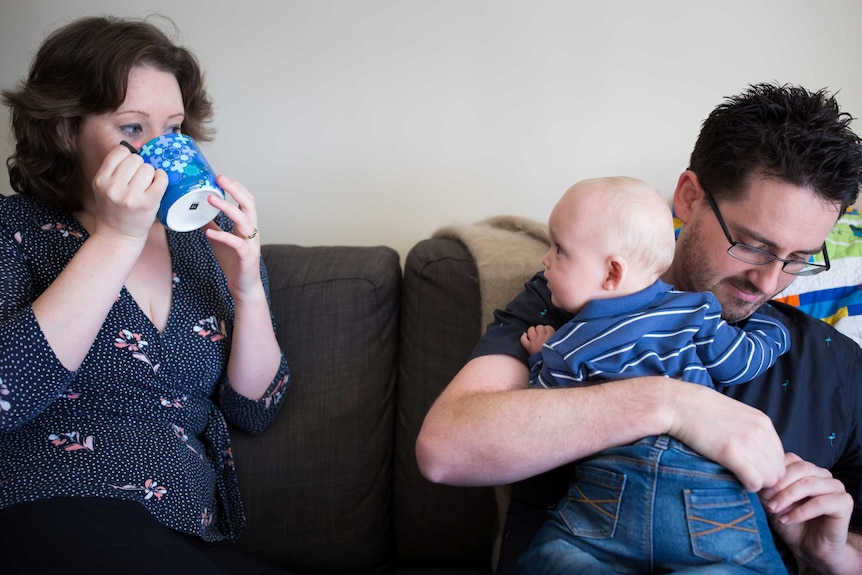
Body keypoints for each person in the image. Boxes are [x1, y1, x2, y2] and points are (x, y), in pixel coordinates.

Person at [416, 82, 862, 575]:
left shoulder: (835, 363)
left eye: (798, 259)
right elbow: (446, 450)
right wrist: (671, 403)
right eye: (753, 245)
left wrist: (834, 555)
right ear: (689, 198)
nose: (768, 280)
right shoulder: (573, 298)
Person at [0, 16, 291, 574]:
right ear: (66, 130)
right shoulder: (15, 231)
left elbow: (256, 409)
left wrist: (248, 287)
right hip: (52, 513)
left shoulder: (203, 248)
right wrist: (118, 236)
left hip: (188, 535)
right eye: (132, 128)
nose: (160, 148)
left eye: (174, 129)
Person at [516, 176, 791, 573]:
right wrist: (773, 332)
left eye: (559, 249)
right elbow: (740, 360)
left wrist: (540, 357)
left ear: (612, 273)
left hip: (610, 484)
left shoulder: (569, 343)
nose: (545, 259)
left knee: (555, 559)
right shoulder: (693, 311)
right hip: (704, 481)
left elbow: (540, 411)